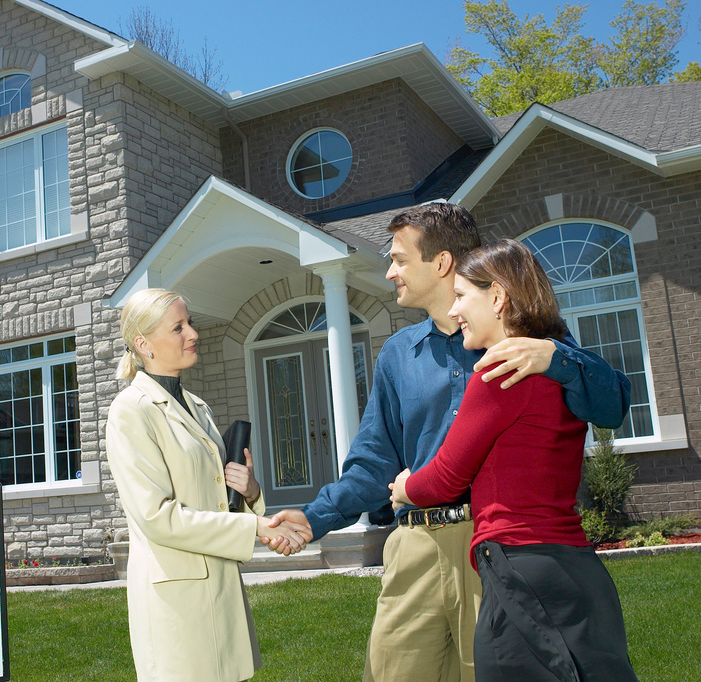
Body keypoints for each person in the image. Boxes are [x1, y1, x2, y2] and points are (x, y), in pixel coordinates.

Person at [266, 203, 630, 681]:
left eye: (398, 258)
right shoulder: (399, 354)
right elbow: (376, 460)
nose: (390, 271)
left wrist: (556, 356)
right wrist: (315, 516)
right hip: (415, 545)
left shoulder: (531, 343)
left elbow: (612, 404)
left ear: (439, 264)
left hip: (492, 548)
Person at [390, 239, 638, 681]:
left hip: (521, 567)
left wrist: (405, 487)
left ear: (499, 297)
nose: (456, 310)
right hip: (576, 569)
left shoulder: (499, 370)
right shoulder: (555, 366)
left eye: (463, 296)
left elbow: (446, 476)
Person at [105, 287, 308, 682]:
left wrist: (249, 492)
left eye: (190, 323)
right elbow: (156, 517)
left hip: (220, 586)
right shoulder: (129, 412)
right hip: (175, 600)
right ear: (143, 343)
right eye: (178, 327)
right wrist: (254, 527)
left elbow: (217, 500)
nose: (192, 334)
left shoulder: (198, 407)